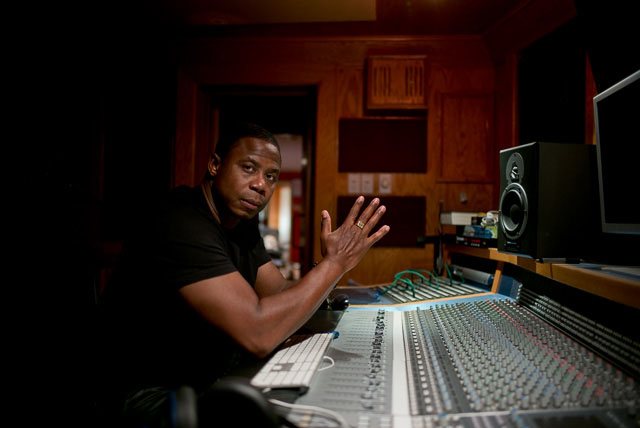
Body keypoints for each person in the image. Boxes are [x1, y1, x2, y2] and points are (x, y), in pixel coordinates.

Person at [97, 121, 390, 426]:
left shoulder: (241, 225)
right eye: (248, 168)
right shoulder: (179, 222)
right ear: (215, 164)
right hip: (148, 395)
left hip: (209, 375)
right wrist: (334, 265)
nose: (261, 185)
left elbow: (277, 292)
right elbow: (258, 333)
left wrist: (327, 268)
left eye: (270, 176)